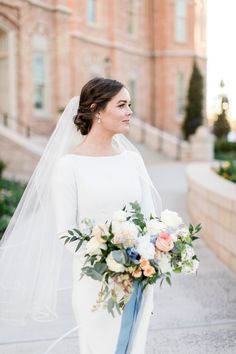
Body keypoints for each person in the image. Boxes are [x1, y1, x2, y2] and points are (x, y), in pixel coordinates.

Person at [0, 78, 162, 354]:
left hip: (138, 278)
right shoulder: (68, 167)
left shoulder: (132, 161)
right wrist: (110, 259)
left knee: (135, 345)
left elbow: (150, 218)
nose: (129, 111)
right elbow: (66, 232)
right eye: (121, 105)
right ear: (97, 110)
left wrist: (150, 252)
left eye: (130, 105)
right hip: (94, 283)